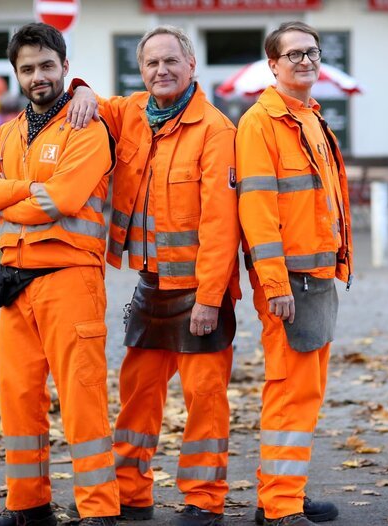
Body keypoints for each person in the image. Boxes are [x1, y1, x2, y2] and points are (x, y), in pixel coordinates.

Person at [68, 25, 241, 526]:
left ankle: (203, 500)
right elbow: (94, 101)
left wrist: (210, 298)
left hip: (200, 292)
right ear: (141, 71)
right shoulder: (134, 114)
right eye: (151, 64)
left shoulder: (214, 130)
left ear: (191, 66)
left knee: (204, 399)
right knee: (137, 392)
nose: (161, 71)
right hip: (151, 284)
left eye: (170, 61)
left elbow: (220, 225)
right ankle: (130, 493)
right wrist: (79, 89)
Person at [0, 23, 120, 526]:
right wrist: (30, 188)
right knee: (19, 399)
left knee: (82, 399)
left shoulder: (87, 128)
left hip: (71, 278)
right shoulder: (7, 133)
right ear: (15, 74)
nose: (38, 77)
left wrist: (6, 192)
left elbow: (64, 200)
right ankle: (27, 507)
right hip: (16, 283)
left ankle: (99, 511)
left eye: (47, 66)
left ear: (65, 68)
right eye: (27, 69)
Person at [235, 21, 353, 526]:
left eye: (312, 52)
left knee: (304, 394)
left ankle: (281, 493)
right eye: (295, 54)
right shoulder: (261, 123)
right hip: (291, 284)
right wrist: (276, 285)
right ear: (274, 64)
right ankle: (280, 506)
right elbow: (257, 212)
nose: (306, 61)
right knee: (290, 392)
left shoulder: (308, 118)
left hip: (316, 277)